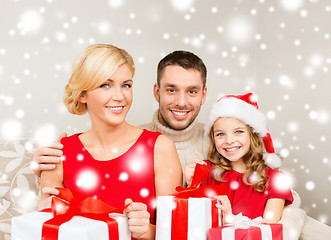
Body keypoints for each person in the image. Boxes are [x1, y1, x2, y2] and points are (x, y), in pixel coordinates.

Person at [32, 50, 330, 239]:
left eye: (125, 85)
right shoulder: (66, 149)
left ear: (203, 95)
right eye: (171, 90)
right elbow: (50, 218)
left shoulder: (225, 144)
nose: (181, 102)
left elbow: (273, 192)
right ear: (156, 91)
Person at [38, 44, 182, 240]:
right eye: (105, 85)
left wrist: (147, 231)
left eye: (126, 85)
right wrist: (43, 213)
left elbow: (175, 234)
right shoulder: (58, 154)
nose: (120, 96)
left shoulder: (160, 148)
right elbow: (49, 230)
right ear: (82, 95)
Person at [184, 93, 293, 224]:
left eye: (238, 132)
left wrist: (230, 220)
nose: (229, 141)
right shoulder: (206, 170)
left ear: (252, 134)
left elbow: (268, 231)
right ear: (213, 139)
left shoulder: (276, 180)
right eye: (220, 134)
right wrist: (191, 184)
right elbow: (191, 220)